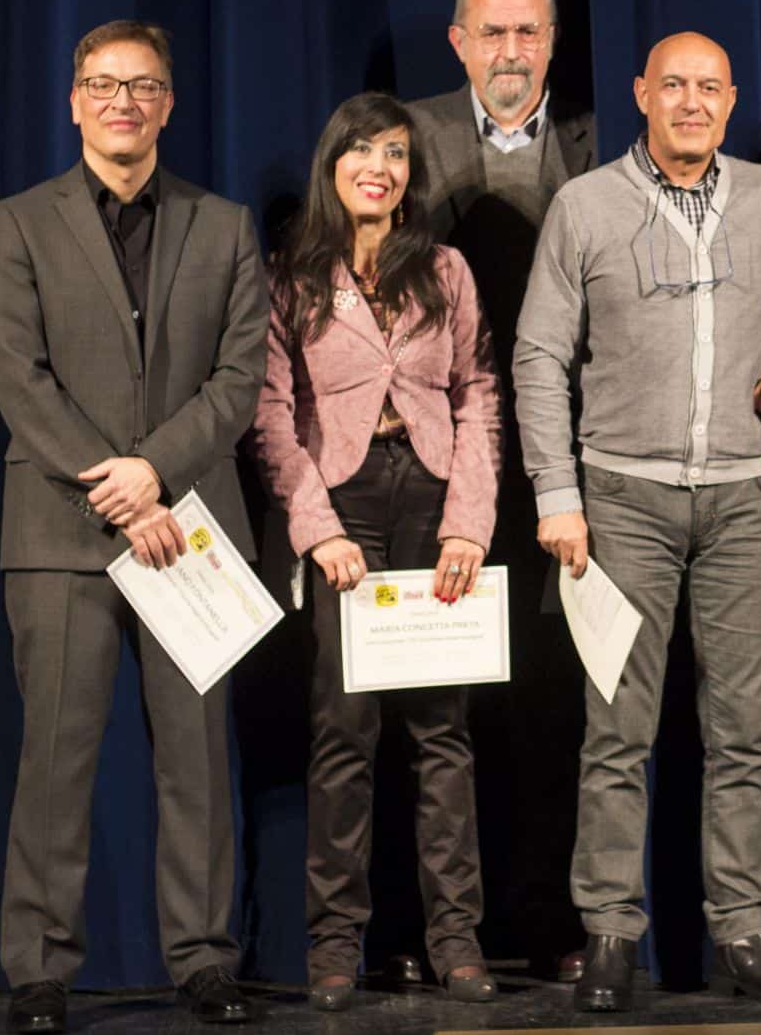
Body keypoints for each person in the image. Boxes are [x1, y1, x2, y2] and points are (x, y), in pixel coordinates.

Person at [515, 31, 761, 1012]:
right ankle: (608, 931)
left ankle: (740, 933)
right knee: (617, 731)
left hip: (738, 498)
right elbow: (535, 359)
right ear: (642, 94)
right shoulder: (585, 204)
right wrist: (556, 496)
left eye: (709, 88)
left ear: (730, 101)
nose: (691, 102)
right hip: (618, 503)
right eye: (672, 86)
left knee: (744, 734)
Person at [0, 21, 268, 1031]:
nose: (122, 102)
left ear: (169, 103)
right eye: (103, 85)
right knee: (55, 760)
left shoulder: (223, 225)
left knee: (196, 759)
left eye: (142, 86)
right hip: (63, 533)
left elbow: (240, 380)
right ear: (73, 101)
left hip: (190, 532)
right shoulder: (18, 222)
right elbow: (19, 375)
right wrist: (116, 485)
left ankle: (201, 957)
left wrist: (157, 474)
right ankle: (41, 971)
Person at [247, 93, 502, 1011]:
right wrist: (317, 530)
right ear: (332, 165)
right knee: (343, 733)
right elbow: (272, 415)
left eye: (395, 153)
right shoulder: (293, 275)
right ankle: (332, 946)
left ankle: (457, 940)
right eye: (361, 150)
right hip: (342, 502)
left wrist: (470, 517)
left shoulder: (446, 268)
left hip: (433, 499)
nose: (379, 167)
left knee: (443, 733)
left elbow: (477, 391)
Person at [406, 0, 597, 981]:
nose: (511, 53)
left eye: (528, 34)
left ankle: (553, 923)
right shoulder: (403, 139)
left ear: (552, 43)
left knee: (555, 704)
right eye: (492, 34)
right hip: (442, 467)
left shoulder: (601, 144)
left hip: (568, 472)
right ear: (458, 42)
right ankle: (436, 932)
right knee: (437, 707)